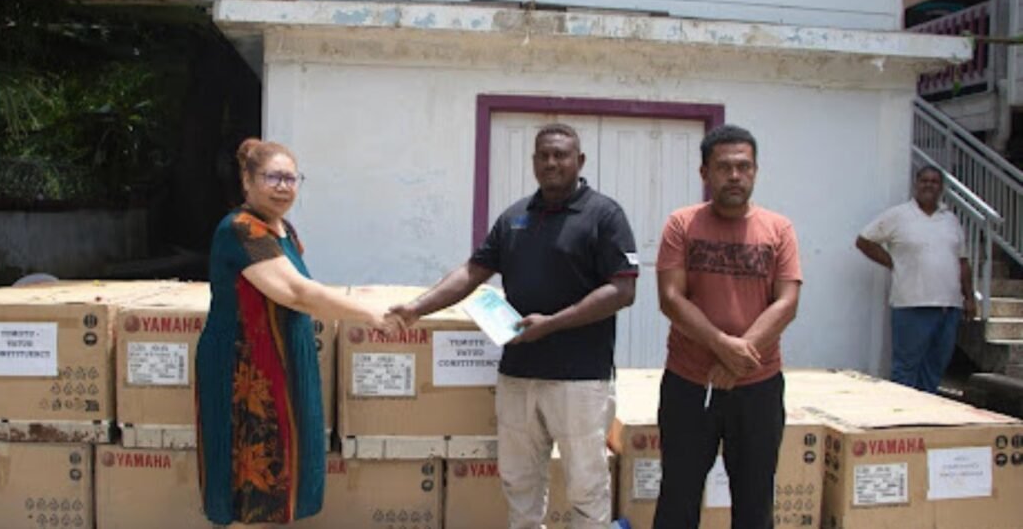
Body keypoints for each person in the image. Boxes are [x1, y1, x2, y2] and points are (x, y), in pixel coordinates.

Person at [391, 123, 638, 529]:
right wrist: (418, 307)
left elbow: (622, 290)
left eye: (561, 154)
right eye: (543, 155)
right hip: (518, 376)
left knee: (585, 488)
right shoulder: (515, 217)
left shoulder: (604, 215)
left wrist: (553, 324)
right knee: (520, 485)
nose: (552, 162)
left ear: (580, 161)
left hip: (579, 380)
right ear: (533, 162)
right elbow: (473, 271)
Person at [195, 138, 399, 526]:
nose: (284, 186)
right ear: (247, 181)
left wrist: (357, 297)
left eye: (292, 178)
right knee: (254, 474)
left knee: (289, 464)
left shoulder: (281, 228)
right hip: (247, 368)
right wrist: (371, 314)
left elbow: (300, 284)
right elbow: (296, 292)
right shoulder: (241, 229)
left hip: (285, 357)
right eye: (273, 177)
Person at [653, 124, 802, 529]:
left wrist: (738, 359)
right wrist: (723, 346)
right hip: (689, 385)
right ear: (705, 173)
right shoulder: (682, 224)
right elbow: (671, 298)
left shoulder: (779, 229)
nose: (734, 175)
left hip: (758, 387)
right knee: (678, 497)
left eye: (743, 166)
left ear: (755, 171)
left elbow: (787, 302)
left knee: (755, 502)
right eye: (724, 167)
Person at [855, 164, 975, 393]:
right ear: (916, 184)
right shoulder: (899, 215)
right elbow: (864, 241)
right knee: (905, 369)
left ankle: (926, 418)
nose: (929, 185)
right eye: (924, 180)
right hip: (912, 305)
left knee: (935, 367)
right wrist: (893, 262)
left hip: (948, 307)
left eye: (934, 181)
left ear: (941, 188)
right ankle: (901, 421)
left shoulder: (950, 220)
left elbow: (962, 261)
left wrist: (969, 297)